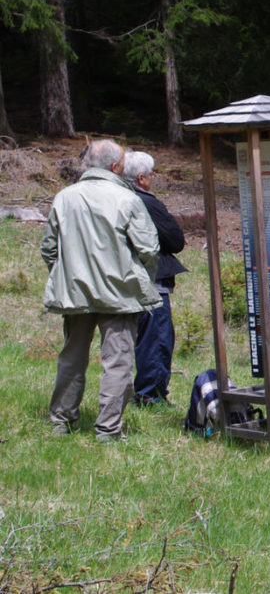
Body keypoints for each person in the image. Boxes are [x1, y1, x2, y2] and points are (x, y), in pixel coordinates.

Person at [41, 139, 161, 441]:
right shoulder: (127, 199)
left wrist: (66, 276)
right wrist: (141, 279)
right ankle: (108, 429)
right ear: (114, 166)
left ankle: (61, 421)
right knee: (118, 362)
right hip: (119, 293)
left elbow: (48, 249)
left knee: (72, 357)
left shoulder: (64, 197)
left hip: (76, 292)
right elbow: (149, 248)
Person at [122, 150, 187, 406]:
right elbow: (175, 239)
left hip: (124, 279)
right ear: (141, 178)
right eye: (151, 174)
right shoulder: (146, 202)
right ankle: (151, 394)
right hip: (152, 281)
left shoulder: (119, 198)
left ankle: (141, 391)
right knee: (156, 338)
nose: (153, 178)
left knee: (132, 339)